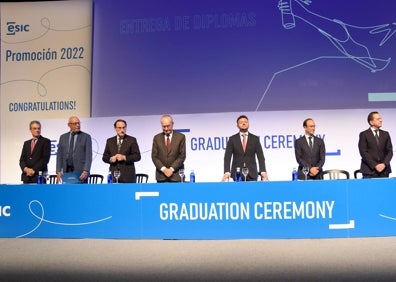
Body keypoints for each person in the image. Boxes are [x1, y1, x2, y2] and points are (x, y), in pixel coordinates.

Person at [222, 115, 268, 182]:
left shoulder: (255, 139)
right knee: (238, 192)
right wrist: (227, 172)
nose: (244, 123)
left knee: (252, 192)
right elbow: (227, 157)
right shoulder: (232, 139)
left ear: (248, 124)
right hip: (237, 173)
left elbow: (260, 157)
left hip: (252, 173)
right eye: (241, 122)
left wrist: (263, 171)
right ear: (237, 125)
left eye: (246, 122)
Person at [56, 116, 92, 183]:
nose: (78, 125)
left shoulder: (86, 137)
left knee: (80, 192)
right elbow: (59, 155)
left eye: (78, 123)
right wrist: (58, 171)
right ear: (69, 125)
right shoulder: (63, 137)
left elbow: (89, 156)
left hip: (81, 172)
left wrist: (86, 170)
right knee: (67, 192)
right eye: (75, 123)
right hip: (66, 171)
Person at [152, 114, 186, 182]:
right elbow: (154, 157)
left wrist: (171, 169)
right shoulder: (156, 138)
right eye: (164, 126)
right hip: (161, 176)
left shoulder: (181, 137)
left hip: (176, 176)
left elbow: (182, 156)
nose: (166, 129)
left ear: (172, 124)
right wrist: (164, 169)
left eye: (168, 126)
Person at [358, 111, 393, 178]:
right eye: (378, 119)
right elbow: (363, 152)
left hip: (384, 171)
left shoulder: (386, 134)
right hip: (369, 171)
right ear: (371, 122)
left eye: (380, 118)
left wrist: (384, 164)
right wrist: (375, 165)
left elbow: (390, 151)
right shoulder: (364, 134)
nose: (381, 120)